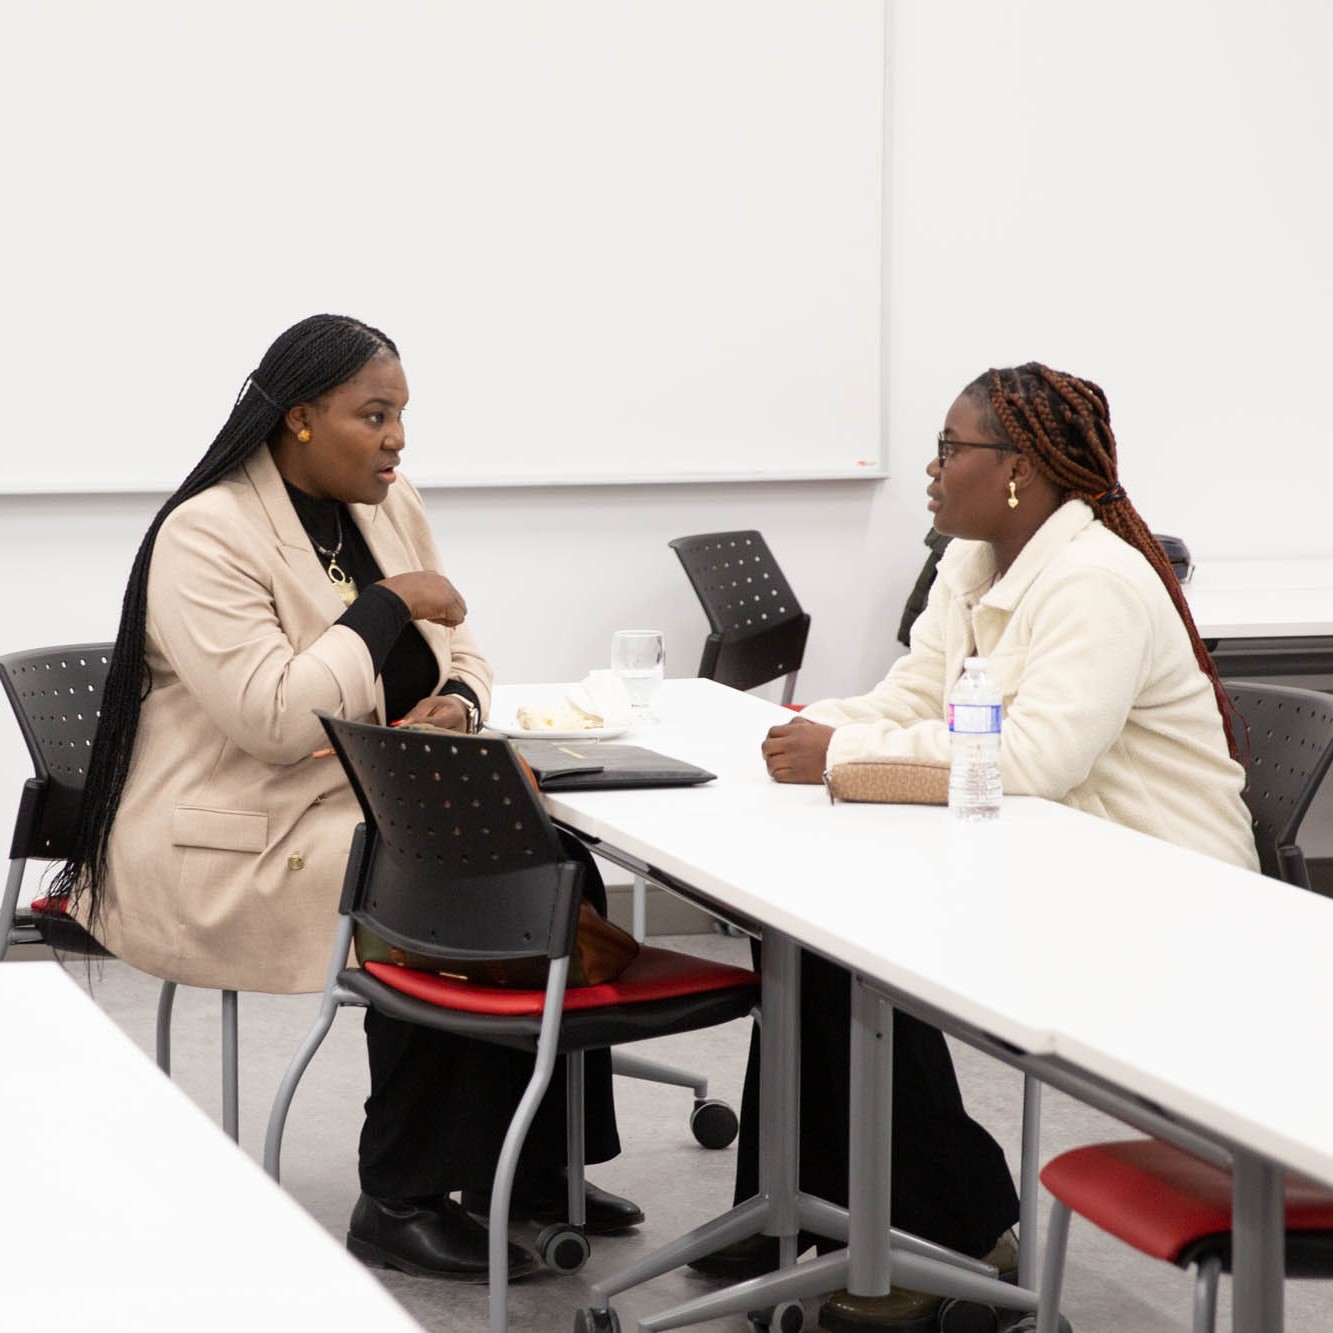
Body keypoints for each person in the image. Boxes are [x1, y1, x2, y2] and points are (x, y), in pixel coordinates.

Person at [52, 314, 642, 1281]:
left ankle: (538, 1169)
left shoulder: (388, 504)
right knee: (443, 885)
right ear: (299, 419)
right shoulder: (204, 534)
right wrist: (386, 606)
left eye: (401, 415)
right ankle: (400, 1195)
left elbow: (466, 644)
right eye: (374, 415)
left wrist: (455, 703)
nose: (397, 439)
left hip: (368, 800)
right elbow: (274, 719)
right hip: (238, 835)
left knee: (559, 867)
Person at [706, 362, 1259, 1333]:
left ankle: (947, 1233)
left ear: (1021, 471)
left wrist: (845, 755)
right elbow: (910, 702)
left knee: (865, 942)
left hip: (1153, 893)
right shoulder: (972, 563)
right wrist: (815, 731)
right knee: (809, 926)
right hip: (1034, 858)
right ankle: (808, 1200)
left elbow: (1036, 757)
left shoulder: (1095, 583)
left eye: (950, 449)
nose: (930, 469)